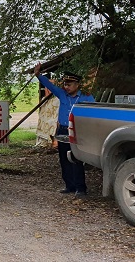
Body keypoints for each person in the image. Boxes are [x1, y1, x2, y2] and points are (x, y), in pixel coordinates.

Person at [34, 64, 94, 197]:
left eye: (69, 84)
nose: (66, 87)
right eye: (65, 84)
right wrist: (38, 75)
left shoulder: (86, 97)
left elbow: (93, 112)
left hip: (77, 130)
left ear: (77, 84)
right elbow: (50, 86)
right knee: (63, 158)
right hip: (62, 130)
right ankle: (69, 185)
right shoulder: (62, 94)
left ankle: (80, 188)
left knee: (76, 158)